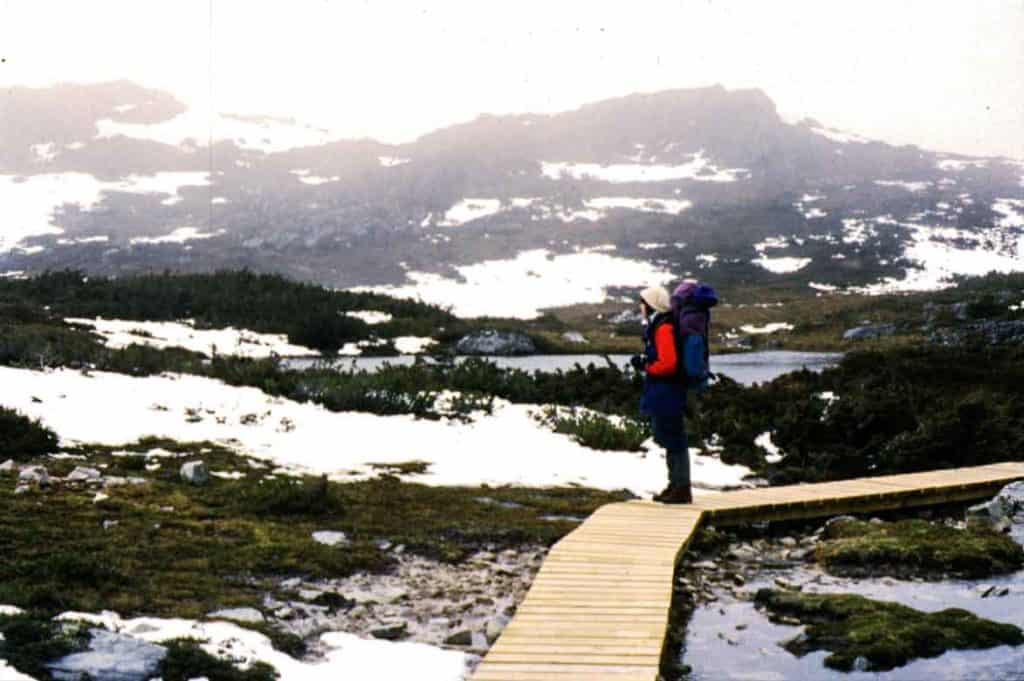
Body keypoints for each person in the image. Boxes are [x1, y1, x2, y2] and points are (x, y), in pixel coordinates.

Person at [631, 286, 692, 504]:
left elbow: (667, 364)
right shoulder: (661, 324)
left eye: (642, 302)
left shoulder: (663, 327)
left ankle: (681, 488)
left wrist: (646, 366)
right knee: (668, 436)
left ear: (651, 304)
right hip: (667, 390)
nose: (640, 307)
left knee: (673, 438)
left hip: (667, 390)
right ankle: (676, 485)